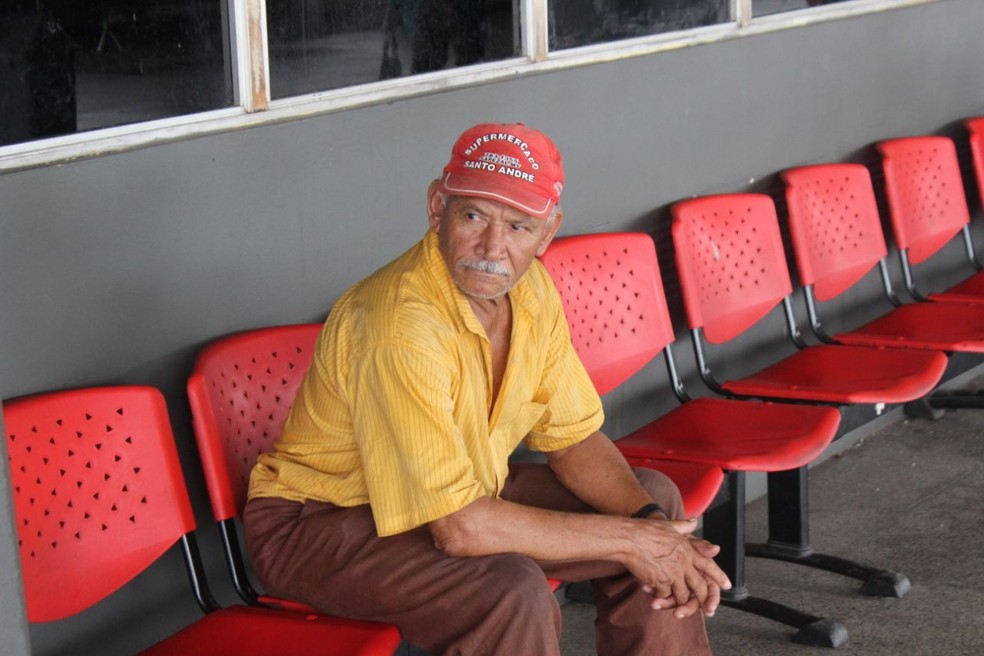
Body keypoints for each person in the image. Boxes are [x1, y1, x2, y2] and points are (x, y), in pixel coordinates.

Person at [243, 122, 731, 655]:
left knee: (651, 500)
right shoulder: (397, 326)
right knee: (511, 590)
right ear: (438, 207)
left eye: (520, 227)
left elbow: (572, 441)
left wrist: (652, 532)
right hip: (321, 526)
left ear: (547, 233)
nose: (492, 248)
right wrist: (635, 541)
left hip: (464, 493)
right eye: (474, 216)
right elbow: (460, 530)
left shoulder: (531, 291)